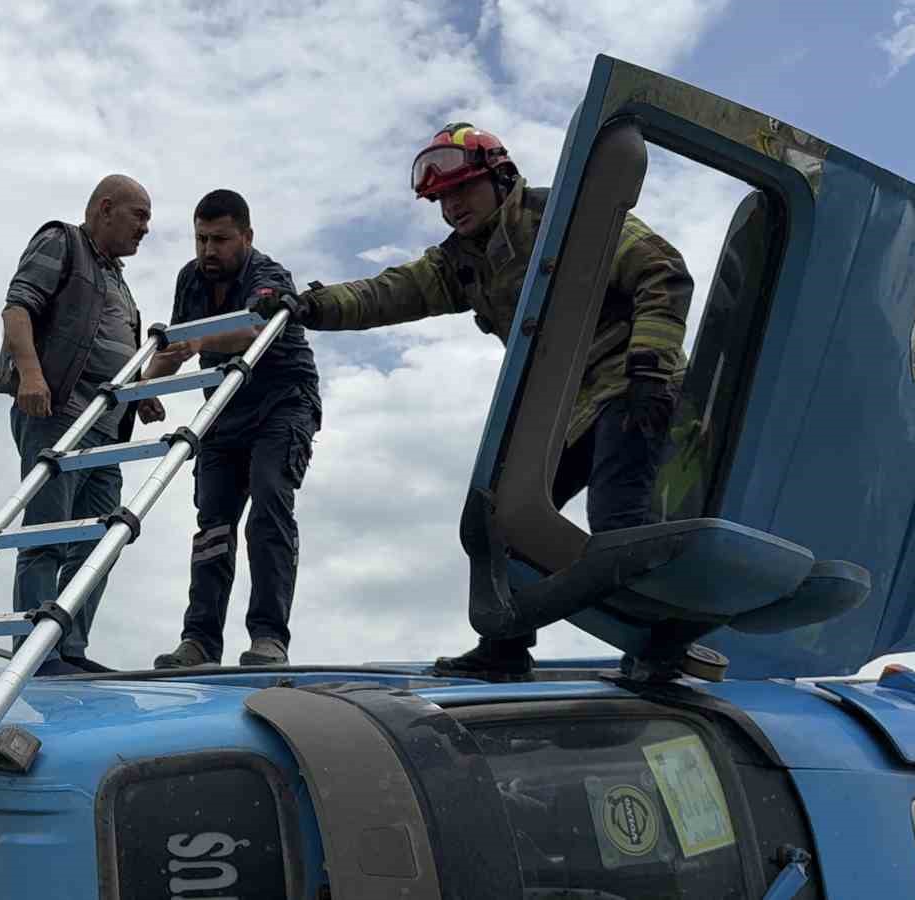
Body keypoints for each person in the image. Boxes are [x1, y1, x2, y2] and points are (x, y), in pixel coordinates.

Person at [252, 123, 692, 681]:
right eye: (442, 198)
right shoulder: (462, 262)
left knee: (619, 519)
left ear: (499, 177)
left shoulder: (569, 219)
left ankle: (661, 649)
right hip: (565, 410)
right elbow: (388, 292)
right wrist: (311, 305)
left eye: (463, 190)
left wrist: (651, 368)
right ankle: (505, 646)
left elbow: (662, 269)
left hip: (631, 386)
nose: (452, 206)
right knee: (498, 515)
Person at [141, 189, 322, 669]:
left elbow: (255, 327)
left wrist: (200, 339)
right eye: (201, 239)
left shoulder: (268, 275)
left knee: (268, 508)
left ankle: (267, 638)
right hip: (224, 411)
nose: (208, 251)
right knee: (212, 525)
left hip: (282, 403)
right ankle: (199, 640)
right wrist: (146, 388)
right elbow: (177, 345)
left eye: (220, 240)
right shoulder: (191, 279)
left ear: (246, 236)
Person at [0, 174, 153, 674]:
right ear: (106, 208)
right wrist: (32, 374)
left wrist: (142, 392)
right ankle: (37, 654)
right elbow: (17, 307)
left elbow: (111, 346)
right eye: (139, 216)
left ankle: (70, 650)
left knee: (100, 542)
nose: (145, 228)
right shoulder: (63, 241)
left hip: (107, 431)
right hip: (57, 412)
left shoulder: (120, 281)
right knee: (47, 536)